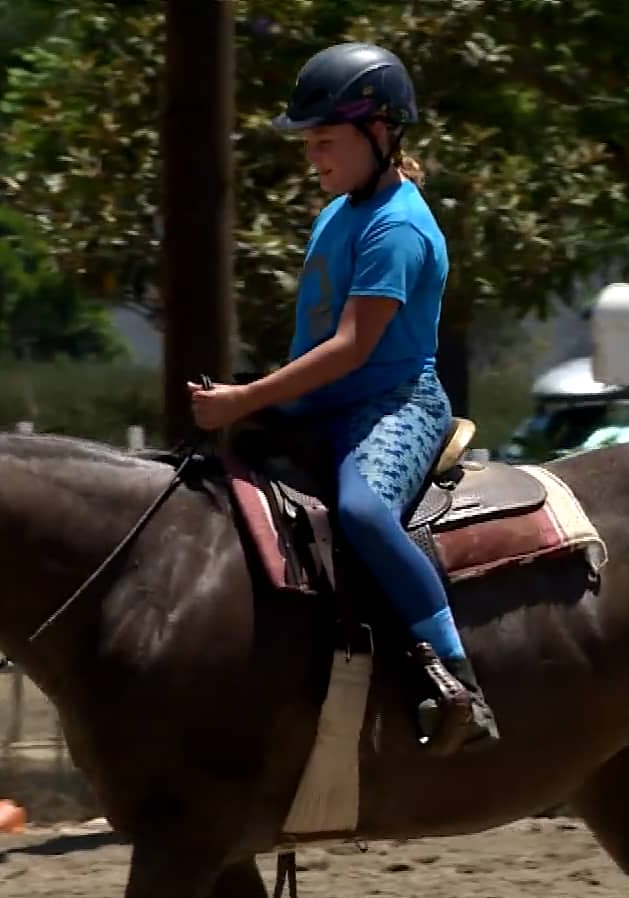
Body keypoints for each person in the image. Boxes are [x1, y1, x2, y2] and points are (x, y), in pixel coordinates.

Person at [189, 42, 497, 756]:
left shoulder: (399, 225)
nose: (312, 157)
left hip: (395, 404)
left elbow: (356, 346)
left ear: (380, 134)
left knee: (360, 510)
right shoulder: (340, 212)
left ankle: (455, 677)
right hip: (325, 405)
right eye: (310, 143)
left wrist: (248, 396)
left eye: (325, 141)